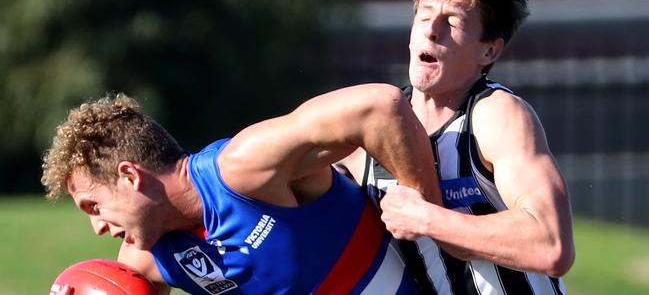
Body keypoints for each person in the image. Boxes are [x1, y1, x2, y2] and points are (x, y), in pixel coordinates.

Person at [42, 83, 442, 295]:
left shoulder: (243, 170)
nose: (97, 227)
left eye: (93, 206)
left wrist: (433, 229)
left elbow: (381, 106)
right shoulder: (147, 256)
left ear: (131, 176)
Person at [335, 0, 575, 294]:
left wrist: (428, 219)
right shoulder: (366, 137)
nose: (431, 30)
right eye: (424, 14)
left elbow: (551, 243)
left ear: (489, 50)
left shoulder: (496, 116)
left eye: (453, 21)